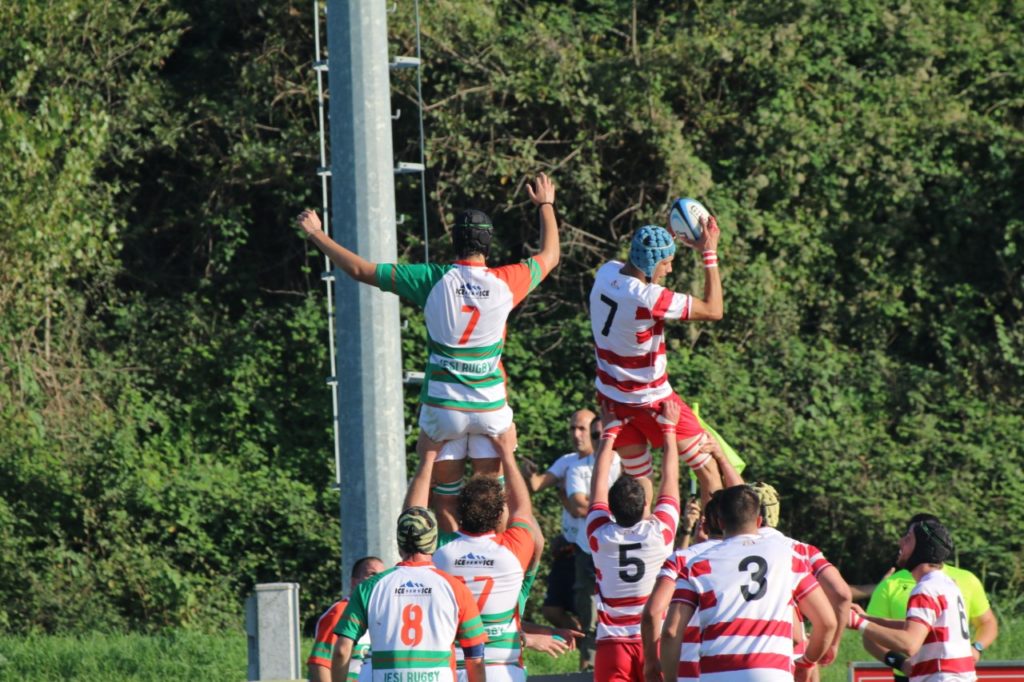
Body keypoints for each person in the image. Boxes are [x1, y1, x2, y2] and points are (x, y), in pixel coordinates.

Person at [297, 173, 560, 531]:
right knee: (491, 495)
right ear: (489, 245)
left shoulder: (432, 279)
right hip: (489, 407)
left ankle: (447, 565)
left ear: (454, 242)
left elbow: (360, 270)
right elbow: (551, 254)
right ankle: (496, 565)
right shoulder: (506, 281)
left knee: (446, 497)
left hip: (443, 407)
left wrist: (316, 234)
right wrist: (545, 203)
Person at [588, 219, 723, 503]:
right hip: (653, 400)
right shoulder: (649, 297)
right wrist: (709, 252)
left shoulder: (605, 272)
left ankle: (642, 544)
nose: (670, 269)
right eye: (667, 263)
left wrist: (669, 235)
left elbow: (640, 259)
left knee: (639, 482)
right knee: (708, 467)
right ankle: (719, 540)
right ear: (652, 264)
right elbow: (714, 310)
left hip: (612, 399)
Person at [660, 485, 837, 682]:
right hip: (772, 674)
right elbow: (827, 622)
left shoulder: (698, 565)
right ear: (759, 521)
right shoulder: (788, 557)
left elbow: (671, 631)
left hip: (718, 675)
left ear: (720, 522)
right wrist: (806, 663)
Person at [405, 424, 539, 682]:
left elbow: (414, 518)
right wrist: (507, 454)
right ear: (500, 515)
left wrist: (428, 459)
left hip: (452, 664)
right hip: (503, 667)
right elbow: (522, 509)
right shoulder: (513, 550)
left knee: (442, 500)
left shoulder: (442, 551)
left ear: (460, 513)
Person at [330, 507, 486, 682]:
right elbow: (475, 658)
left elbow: (342, 651)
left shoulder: (369, 587)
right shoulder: (457, 588)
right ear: (434, 541)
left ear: (399, 542)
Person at [585, 403, 682, 681]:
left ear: (610, 510)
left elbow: (598, 485)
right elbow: (670, 480)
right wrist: (668, 429)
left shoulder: (599, 535)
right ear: (645, 507)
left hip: (613, 644)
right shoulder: (660, 532)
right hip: (656, 639)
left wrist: (608, 434)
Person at [864, 514, 996, 679]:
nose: (900, 542)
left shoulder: (926, 588)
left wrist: (858, 623)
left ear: (922, 547)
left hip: (940, 675)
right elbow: (921, 627)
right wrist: (866, 619)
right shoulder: (948, 583)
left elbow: (910, 643)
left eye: (908, 538)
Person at [751, 481, 853, 676]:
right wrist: (832, 644)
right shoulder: (801, 551)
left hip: (736, 655)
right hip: (791, 655)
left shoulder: (727, 551)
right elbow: (842, 594)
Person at [524, 409, 598, 634]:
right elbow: (537, 485)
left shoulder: (606, 463)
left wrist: (566, 499)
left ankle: (586, 649)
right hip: (569, 545)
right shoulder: (568, 461)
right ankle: (578, 640)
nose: (576, 434)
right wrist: (527, 472)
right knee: (551, 609)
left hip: (592, 549)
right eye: (572, 428)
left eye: (582, 429)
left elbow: (582, 508)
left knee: (589, 609)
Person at [640, 493, 724, 682]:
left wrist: (651, 661)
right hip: (735, 668)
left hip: (686, 669)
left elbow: (653, 613)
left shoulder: (683, 559)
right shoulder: (747, 559)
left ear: (704, 524)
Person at [308, 556, 385, 682]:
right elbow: (320, 664)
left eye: (381, 576)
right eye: (372, 574)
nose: (377, 580)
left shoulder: (381, 614)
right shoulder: (340, 612)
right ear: (354, 581)